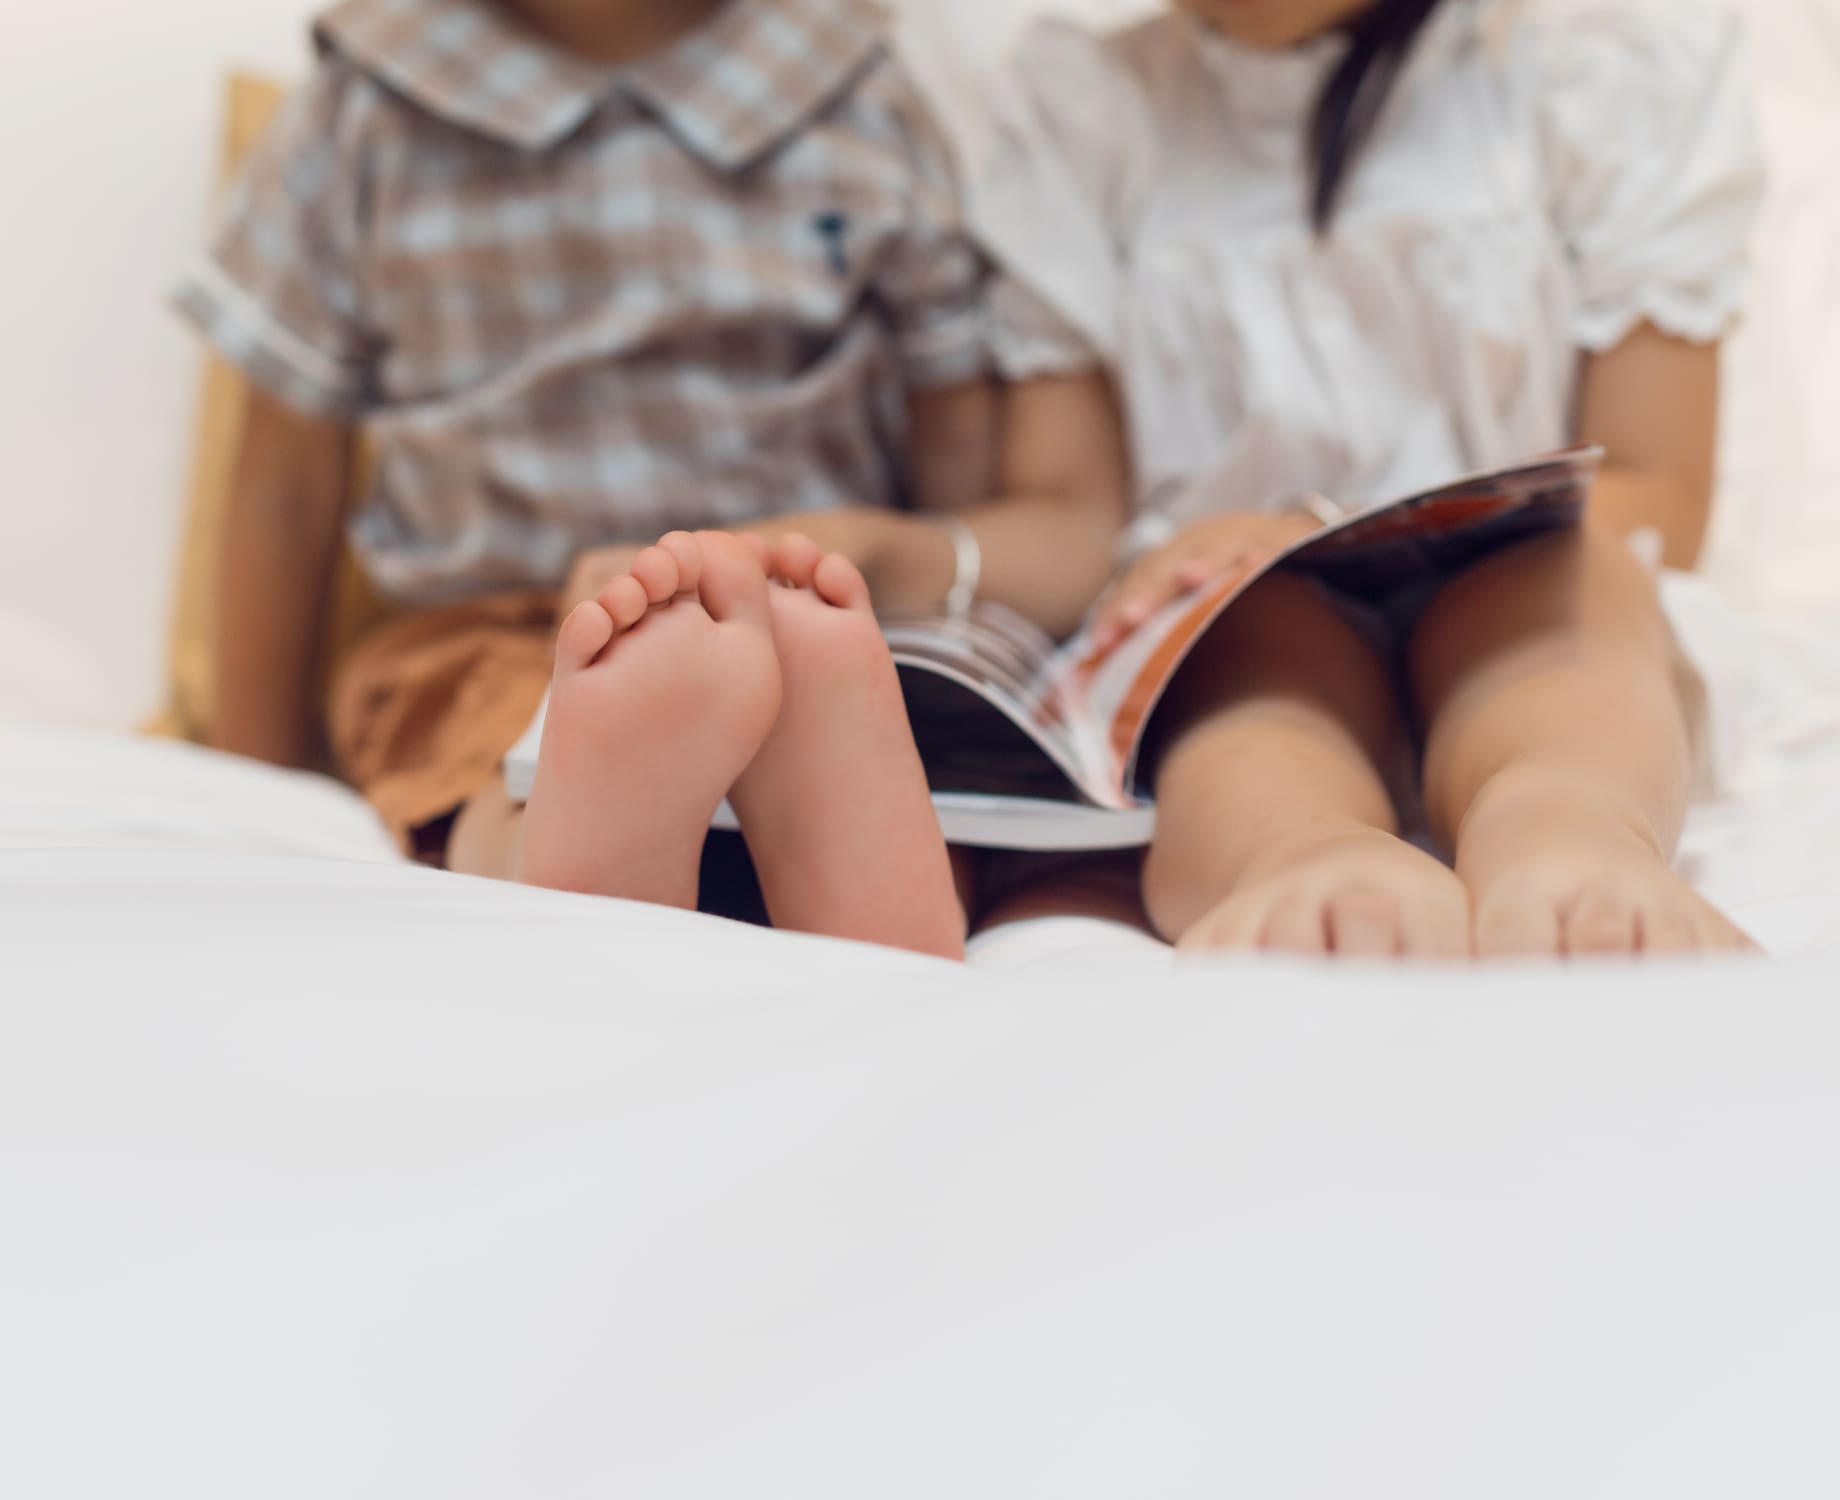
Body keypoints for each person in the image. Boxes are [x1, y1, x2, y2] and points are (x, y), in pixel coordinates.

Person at [176, 0, 1127, 958]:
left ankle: (595, 846)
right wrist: (254, 786)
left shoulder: (852, 87)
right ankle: (737, 849)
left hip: (795, 611)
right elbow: (285, 493)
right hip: (522, 620)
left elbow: (954, 454)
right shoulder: (367, 103)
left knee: (533, 775)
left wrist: (919, 602)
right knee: (520, 756)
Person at [971, 0, 1767, 957]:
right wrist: (909, 553)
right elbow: (1071, 510)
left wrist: (1319, 522)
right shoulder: (1088, 106)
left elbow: (1658, 494)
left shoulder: (1597, 69)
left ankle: (1570, 826)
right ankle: (1299, 852)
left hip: (1531, 571)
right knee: (1247, 662)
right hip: (1238, 604)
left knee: (1571, 589)